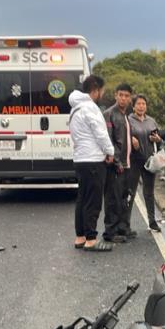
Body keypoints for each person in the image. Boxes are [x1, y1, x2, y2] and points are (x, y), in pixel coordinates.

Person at [68, 75, 116, 252]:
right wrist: (110, 152)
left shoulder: (75, 108)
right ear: (95, 89)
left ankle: (80, 236)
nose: (102, 94)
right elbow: (100, 133)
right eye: (101, 90)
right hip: (93, 160)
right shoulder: (90, 108)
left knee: (82, 199)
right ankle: (91, 239)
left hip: (80, 159)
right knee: (93, 201)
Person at [127, 94, 165, 232]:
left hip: (149, 160)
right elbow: (121, 137)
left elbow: (160, 140)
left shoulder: (151, 121)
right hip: (133, 160)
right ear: (133, 106)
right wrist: (131, 141)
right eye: (138, 104)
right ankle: (125, 224)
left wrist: (158, 139)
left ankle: (152, 221)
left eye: (143, 104)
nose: (141, 106)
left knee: (149, 192)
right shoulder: (128, 120)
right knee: (130, 192)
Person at [103, 83, 135, 243]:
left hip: (127, 163)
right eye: (121, 95)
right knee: (112, 199)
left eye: (126, 96)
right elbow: (109, 140)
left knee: (123, 198)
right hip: (116, 165)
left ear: (130, 99)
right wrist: (117, 162)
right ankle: (110, 231)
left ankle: (122, 228)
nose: (123, 98)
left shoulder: (126, 116)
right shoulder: (109, 114)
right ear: (116, 95)